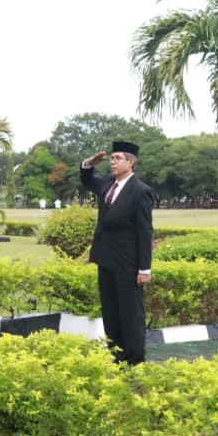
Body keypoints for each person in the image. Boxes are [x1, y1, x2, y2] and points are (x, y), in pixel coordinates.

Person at [80, 141, 154, 365]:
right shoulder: (107, 184)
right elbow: (87, 180)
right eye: (111, 158)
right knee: (110, 311)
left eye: (118, 158)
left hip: (128, 261)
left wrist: (144, 268)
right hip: (105, 258)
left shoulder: (140, 191)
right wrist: (89, 163)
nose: (112, 162)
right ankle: (117, 355)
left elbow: (144, 231)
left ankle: (135, 358)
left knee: (130, 312)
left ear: (130, 162)